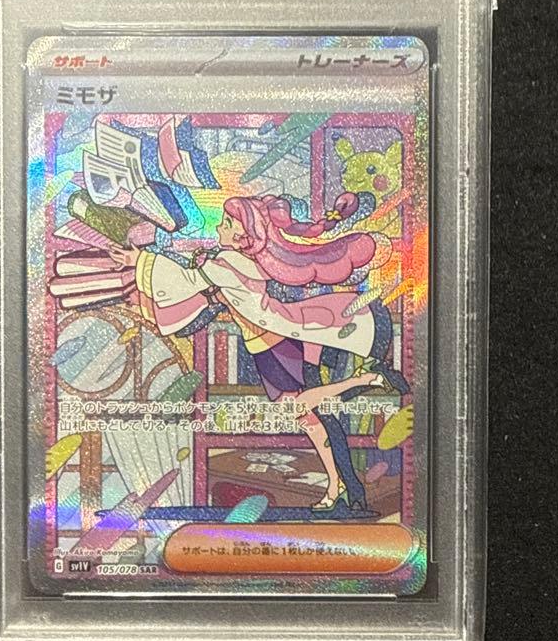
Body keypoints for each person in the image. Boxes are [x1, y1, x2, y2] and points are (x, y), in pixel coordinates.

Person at [109, 193, 407, 511]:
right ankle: (338, 487)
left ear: (243, 236)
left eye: (227, 223)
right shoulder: (239, 263)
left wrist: (140, 261)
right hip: (268, 345)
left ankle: (371, 380)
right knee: (311, 418)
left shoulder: (227, 264)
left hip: (278, 344)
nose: (219, 228)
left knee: (301, 408)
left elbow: (185, 281)